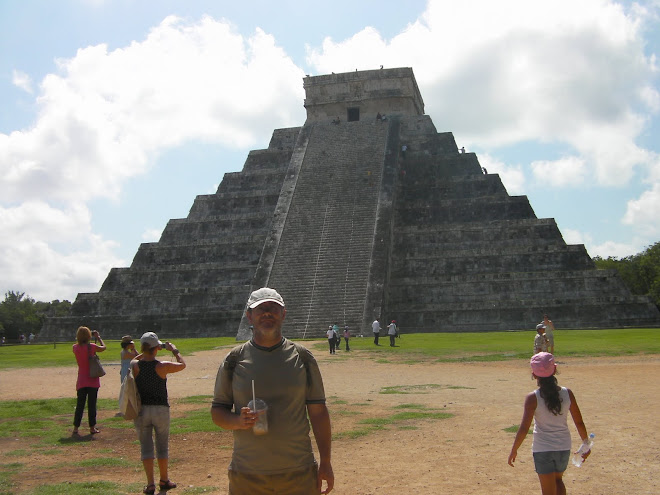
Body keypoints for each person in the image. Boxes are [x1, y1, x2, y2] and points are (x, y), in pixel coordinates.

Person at [211, 287, 334, 495]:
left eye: (273, 308)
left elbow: (319, 412)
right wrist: (238, 421)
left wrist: (326, 462)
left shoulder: (303, 358)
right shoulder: (234, 360)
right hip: (248, 475)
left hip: (298, 472)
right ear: (249, 316)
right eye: (261, 309)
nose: (267, 313)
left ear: (283, 314)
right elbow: (218, 412)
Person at [508, 352, 591, 495]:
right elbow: (579, 422)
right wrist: (586, 445)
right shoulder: (567, 393)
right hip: (563, 446)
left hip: (543, 448)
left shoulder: (533, 398)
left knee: (548, 490)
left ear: (534, 375)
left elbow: (524, 428)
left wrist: (514, 449)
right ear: (554, 370)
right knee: (558, 481)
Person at [132, 332, 186, 495]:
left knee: (146, 447)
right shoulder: (162, 366)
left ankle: (150, 484)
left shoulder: (135, 365)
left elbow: (138, 358)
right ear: (156, 348)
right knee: (162, 446)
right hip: (161, 409)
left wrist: (148, 350)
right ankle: (164, 479)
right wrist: (174, 350)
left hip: (142, 410)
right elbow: (182, 364)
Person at [71, 326, 106, 436]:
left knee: (80, 405)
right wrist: (98, 337)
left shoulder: (75, 347)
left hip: (81, 379)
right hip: (92, 379)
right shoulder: (92, 347)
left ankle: (76, 428)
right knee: (92, 405)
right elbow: (103, 347)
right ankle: (92, 427)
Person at [119, 335, 138, 413]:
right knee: (128, 388)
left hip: (126, 370)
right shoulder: (126, 353)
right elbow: (137, 356)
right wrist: (133, 348)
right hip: (126, 371)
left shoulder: (125, 352)